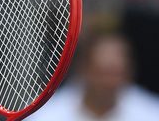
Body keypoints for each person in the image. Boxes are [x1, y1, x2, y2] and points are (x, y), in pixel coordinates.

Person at [27, 32, 159, 120]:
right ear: (83, 70)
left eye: (118, 73)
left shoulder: (152, 114)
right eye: (104, 73)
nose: (110, 82)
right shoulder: (45, 116)